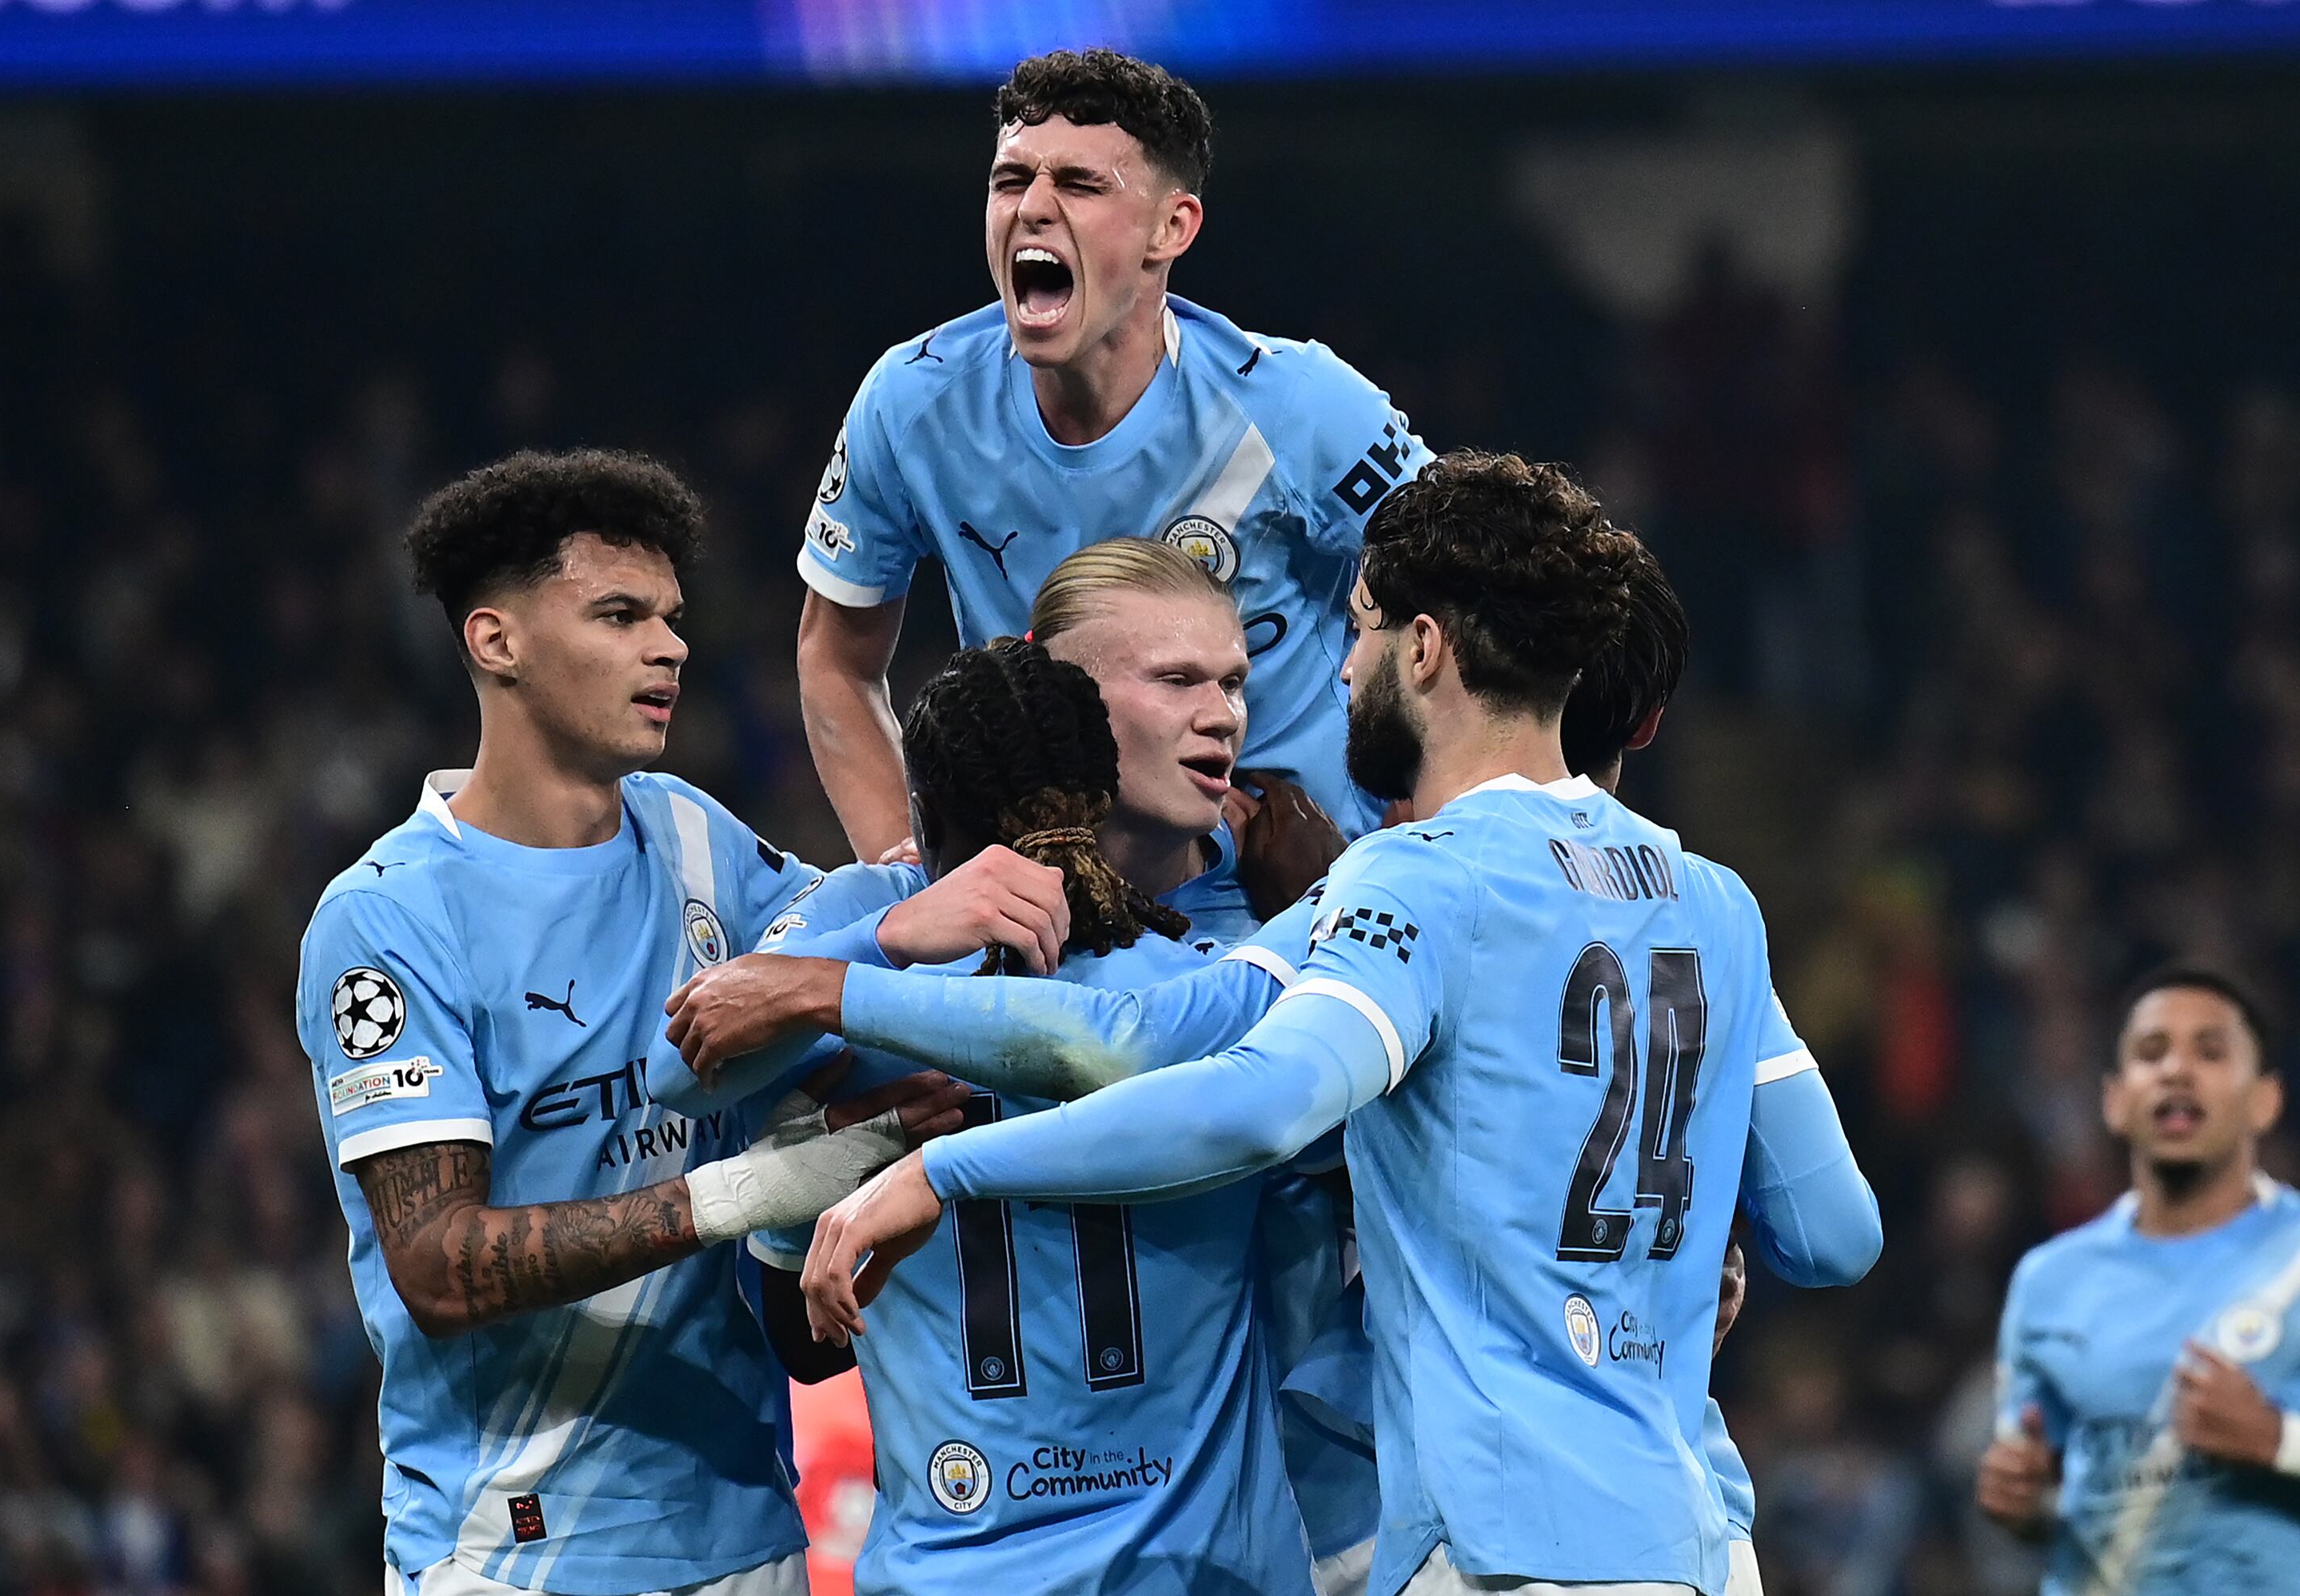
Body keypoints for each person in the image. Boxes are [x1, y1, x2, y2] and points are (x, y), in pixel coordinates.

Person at [800, 450, 1883, 1595]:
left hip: (1504, 1547)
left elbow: (1250, 1096)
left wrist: (940, 1160)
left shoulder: (1419, 880)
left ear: (1425, 650)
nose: (1342, 667)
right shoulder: (1714, 900)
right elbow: (1832, 1233)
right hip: (1703, 1538)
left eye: (1358, 630)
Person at [293, 449, 970, 1596]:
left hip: (748, 1535)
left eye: (671, 616)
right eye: (618, 615)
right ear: (495, 640)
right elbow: (441, 1269)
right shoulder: (390, 918)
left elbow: (855, 988)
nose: (670, 647)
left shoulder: (696, 841)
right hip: (510, 1555)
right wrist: (753, 1192)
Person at [677, 539, 1373, 1586]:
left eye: (1233, 681)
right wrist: (1340, 897)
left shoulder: (872, 940)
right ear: (1058, 698)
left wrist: (838, 997)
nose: (1224, 712)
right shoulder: (1243, 966)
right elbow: (691, 1074)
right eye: (1178, 680)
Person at [797, 46, 1427, 857]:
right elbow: (834, 656)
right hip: (1055, 913)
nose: (1032, 208)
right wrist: (904, 862)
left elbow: (1470, 607)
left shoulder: (1300, 407)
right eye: (1013, 180)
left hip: (1295, 910)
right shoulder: (912, 403)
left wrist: (1408, 849)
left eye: (1081, 185)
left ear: (1173, 227)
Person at [1978, 965, 2300, 1593]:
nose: (2176, 1070)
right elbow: (2053, 1503)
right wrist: (2021, 1504)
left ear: (2266, 1099)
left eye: (2210, 1051)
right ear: (2115, 1100)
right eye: (2152, 1053)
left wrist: (2274, 1440)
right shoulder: (2050, 1280)